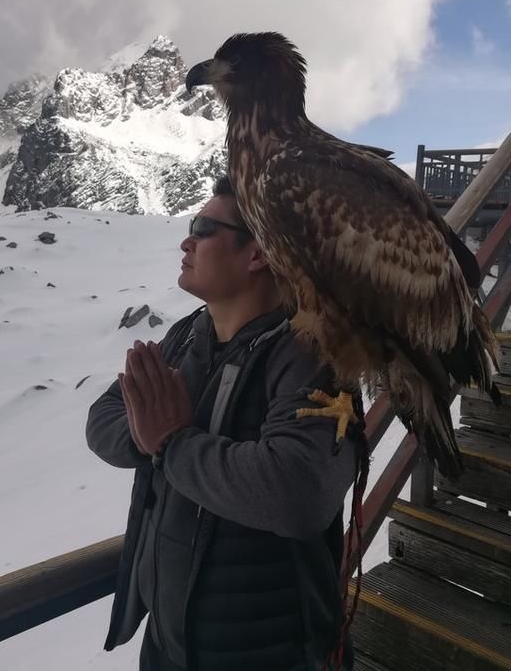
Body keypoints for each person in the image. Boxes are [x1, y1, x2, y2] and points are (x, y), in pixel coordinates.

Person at [86, 176, 363, 670]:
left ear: (257, 253)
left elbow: (298, 491)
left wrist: (171, 442)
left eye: (203, 228)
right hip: (168, 643)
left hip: (270, 653)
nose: (186, 240)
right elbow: (102, 420)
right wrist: (154, 435)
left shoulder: (314, 355)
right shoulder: (186, 336)